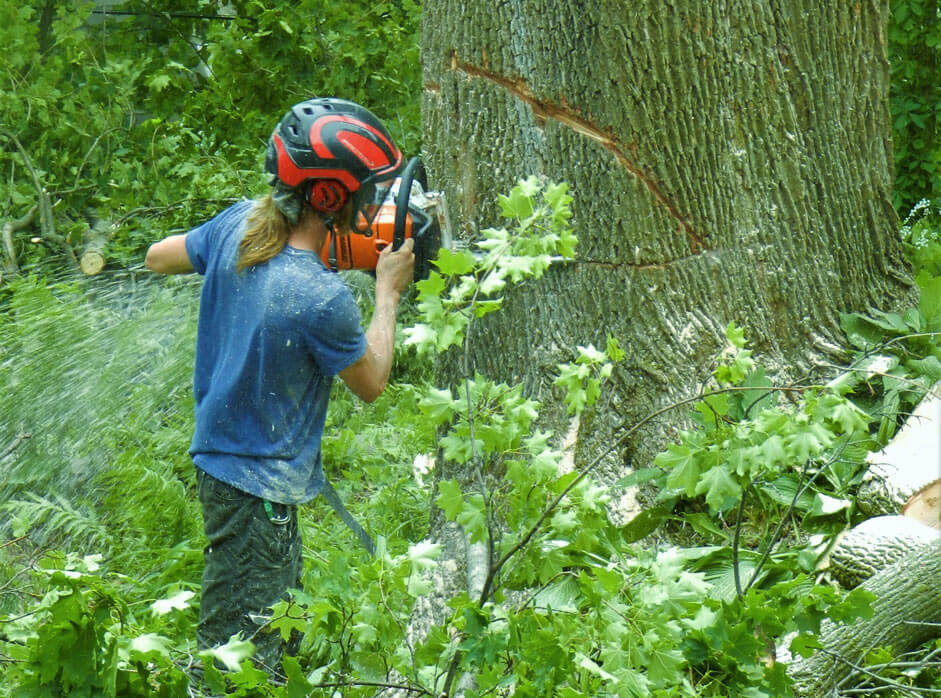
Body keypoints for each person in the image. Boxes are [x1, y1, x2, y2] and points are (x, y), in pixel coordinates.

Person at [144, 97, 415, 679]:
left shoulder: (238, 225)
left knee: (272, 632)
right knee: (236, 662)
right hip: (258, 489)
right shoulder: (321, 298)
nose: (371, 204)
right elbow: (371, 383)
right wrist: (387, 292)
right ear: (327, 197)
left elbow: (157, 257)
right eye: (364, 193)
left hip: (224, 469)